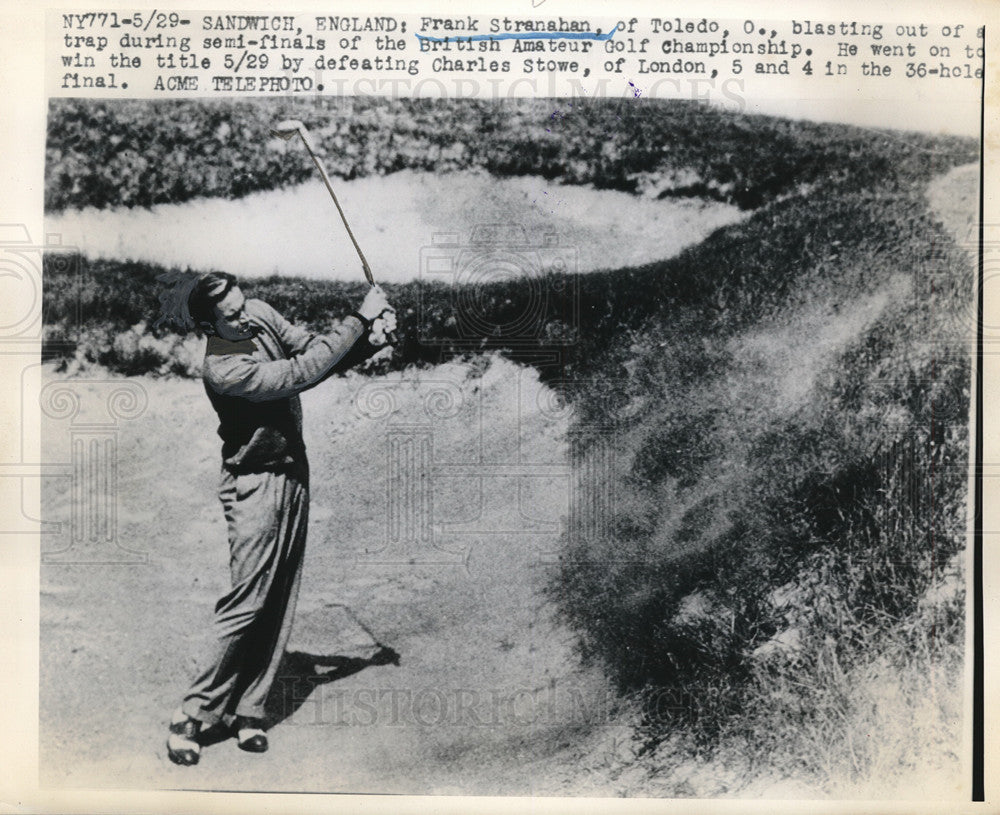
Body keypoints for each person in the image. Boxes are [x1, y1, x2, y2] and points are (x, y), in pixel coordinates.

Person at [166, 271, 393, 765]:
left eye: (243, 302)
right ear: (210, 325)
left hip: (293, 471)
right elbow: (298, 375)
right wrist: (360, 318)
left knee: (280, 596)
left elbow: (311, 349)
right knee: (246, 604)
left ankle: (249, 710)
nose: (244, 315)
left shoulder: (259, 313)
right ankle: (193, 714)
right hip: (253, 484)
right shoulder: (223, 368)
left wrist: (370, 344)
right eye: (231, 314)